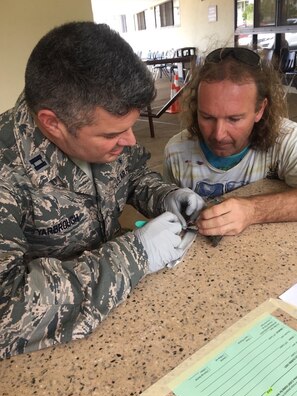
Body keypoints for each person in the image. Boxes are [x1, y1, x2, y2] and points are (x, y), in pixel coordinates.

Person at [0, 22, 204, 359]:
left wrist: (164, 196)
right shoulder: (8, 170)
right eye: (112, 135)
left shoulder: (100, 125)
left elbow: (133, 172)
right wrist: (135, 255)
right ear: (53, 123)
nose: (130, 141)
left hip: (131, 312)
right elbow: (7, 312)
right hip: (59, 348)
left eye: (131, 127)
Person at [163, 47, 297, 237]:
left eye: (234, 119)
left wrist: (253, 210)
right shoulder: (176, 151)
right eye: (207, 117)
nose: (218, 135)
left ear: (260, 110)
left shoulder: (286, 139)